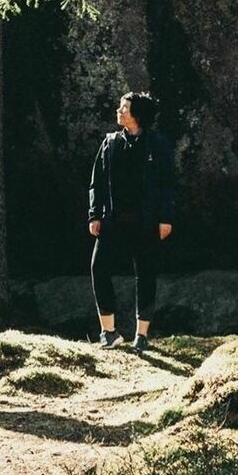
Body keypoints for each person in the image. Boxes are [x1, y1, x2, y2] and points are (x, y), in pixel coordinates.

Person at [88, 91, 174, 353]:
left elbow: (167, 184)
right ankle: (108, 332)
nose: (119, 111)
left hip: (146, 222)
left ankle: (142, 336)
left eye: (124, 108)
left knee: (145, 274)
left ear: (137, 114)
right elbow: (98, 181)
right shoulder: (111, 142)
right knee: (99, 267)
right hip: (113, 220)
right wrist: (94, 214)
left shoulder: (157, 144)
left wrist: (166, 218)